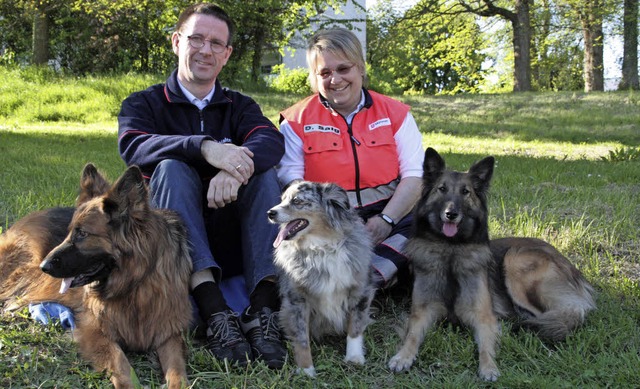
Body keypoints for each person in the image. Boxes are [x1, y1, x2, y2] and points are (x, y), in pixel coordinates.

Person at [117, 3, 286, 368]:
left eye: (216, 43)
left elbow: (270, 140)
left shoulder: (239, 105)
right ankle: (214, 312)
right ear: (177, 42)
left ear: (226, 55)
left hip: (233, 237)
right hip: (178, 247)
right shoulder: (143, 103)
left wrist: (234, 167)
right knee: (172, 169)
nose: (205, 50)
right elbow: (134, 144)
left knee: (263, 172)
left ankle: (262, 311)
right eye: (196, 39)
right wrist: (205, 147)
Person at [278, 28, 424, 289]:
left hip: (391, 214)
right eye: (324, 73)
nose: (335, 79)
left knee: (429, 224)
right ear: (314, 78)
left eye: (343, 69)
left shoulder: (396, 113)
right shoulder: (295, 120)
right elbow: (292, 179)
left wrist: (386, 221)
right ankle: (376, 277)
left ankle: (362, 280)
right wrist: (331, 224)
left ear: (360, 69)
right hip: (329, 219)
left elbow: (415, 175)